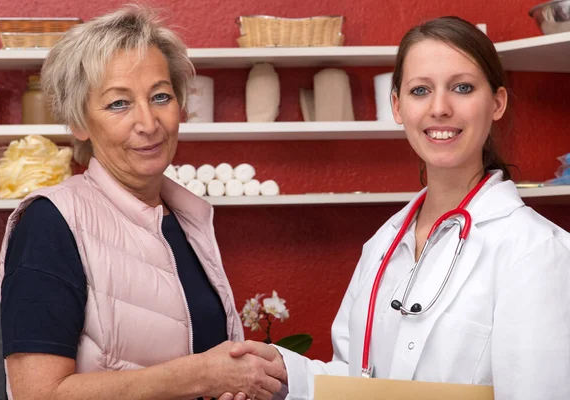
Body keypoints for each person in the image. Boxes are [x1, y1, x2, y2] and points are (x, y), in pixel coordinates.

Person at [230, 16, 570, 399]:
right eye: (420, 90)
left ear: (497, 103)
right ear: (397, 106)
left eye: (462, 87)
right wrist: (285, 372)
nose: (439, 108)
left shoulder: (537, 250)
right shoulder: (384, 244)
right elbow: (359, 380)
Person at [0, 5, 284, 400]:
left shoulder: (187, 219)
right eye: (119, 103)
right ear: (79, 121)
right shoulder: (51, 221)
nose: (149, 123)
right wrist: (201, 376)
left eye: (161, 96)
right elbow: (38, 394)